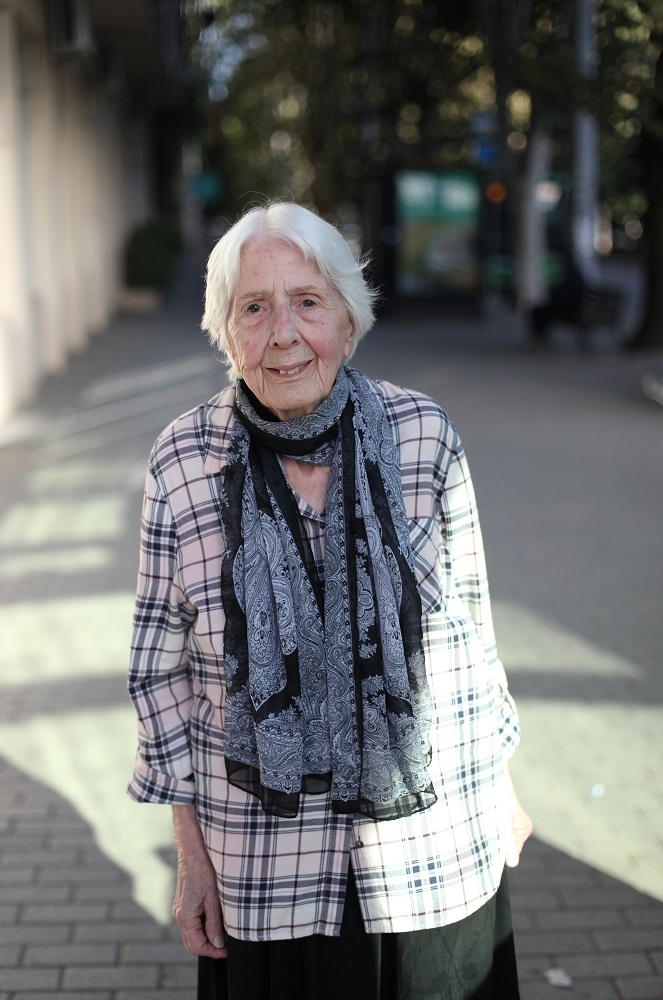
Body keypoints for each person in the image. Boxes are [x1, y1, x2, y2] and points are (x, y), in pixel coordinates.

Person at [127, 202, 532, 1000]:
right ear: (224, 331)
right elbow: (159, 674)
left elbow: (470, 636)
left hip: (427, 847)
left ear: (347, 321)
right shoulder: (183, 458)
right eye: (254, 307)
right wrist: (190, 852)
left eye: (307, 302)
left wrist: (503, 790)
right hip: (263, 865)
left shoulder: (422, 434)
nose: (282, 333)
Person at [528, 248, 585, 349]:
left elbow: (561, 295)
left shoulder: (565, 272)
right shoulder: (575, 271)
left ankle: (538, 340)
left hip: (568, 311)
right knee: (539, 308)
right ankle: (539, 340)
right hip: (575, 310)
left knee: (538, 310)